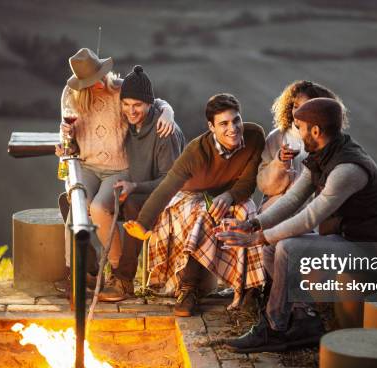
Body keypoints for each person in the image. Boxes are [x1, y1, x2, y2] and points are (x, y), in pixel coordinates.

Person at [217, 97, 377, 353]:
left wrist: (258, 237)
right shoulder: (323, 153)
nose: (296, 133)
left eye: (299, 127)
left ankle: (274, 328)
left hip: (365, 248)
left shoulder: (346, 169)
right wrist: (253, 224)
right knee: (272, 248)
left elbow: (309, 217)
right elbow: (292, 199)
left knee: (286, 247)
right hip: (341, 238)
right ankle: (305, 320)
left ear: (315, 131)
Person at [123, 93, 266, 317]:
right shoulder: (196, 151)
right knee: (204, 213)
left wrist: (229, 196)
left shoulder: (255, 135)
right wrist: (143, 223)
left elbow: (248, 181)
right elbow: (166, 188)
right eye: (224, 124)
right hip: (190, 195)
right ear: (211, 127)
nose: (233, 128)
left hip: (228, 194)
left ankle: (250, 288)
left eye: (236, 120)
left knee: (247, 211)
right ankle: (188, 288)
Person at [54, 48, 176, 294]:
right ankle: (77, 273)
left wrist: (169, 112)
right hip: (87, 165)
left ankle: (118, 271)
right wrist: (64, 138)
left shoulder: (120, 88)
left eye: (100, 76)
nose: (98, 83)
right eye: (90, 82)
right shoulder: (71, 95)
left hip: (119, 169)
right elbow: (67, 132)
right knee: (77, 206)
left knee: (99, 208)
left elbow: (153, 100)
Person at [97, 65, 185, 301]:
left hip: (163, 198)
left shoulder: (164, 130)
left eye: (137, 105)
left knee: (135, 206)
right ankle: (89, 274)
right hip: (134, 190)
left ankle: (124, 280)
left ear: (149, 104)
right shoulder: (128, 124)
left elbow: (171, 181)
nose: (130, 110)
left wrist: (135, 187)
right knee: (78, 202)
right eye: (126, 104)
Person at [257, 80, 342, 212]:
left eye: (305, 108)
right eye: (295, 106)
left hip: (313, 213)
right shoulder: (277, 137)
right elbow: (264, 185)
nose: (297, 113)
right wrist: (280, 162)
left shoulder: (327, 140)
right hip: (275, 211)